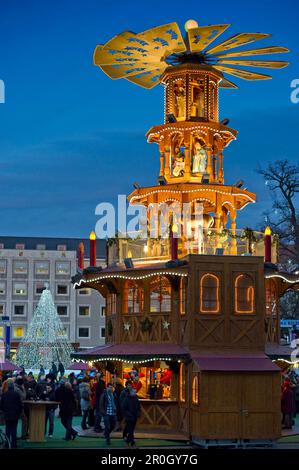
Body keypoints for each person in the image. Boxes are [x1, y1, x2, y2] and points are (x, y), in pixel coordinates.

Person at [0, 380, 23, 448]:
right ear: (13, 387)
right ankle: (14, 445)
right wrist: (19, 413)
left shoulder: (4, 394)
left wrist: (4, 411)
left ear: (8, 387)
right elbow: (20, 405)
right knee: (14, 430)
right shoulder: (16, 395)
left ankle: (7, 444)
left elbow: (1, 405)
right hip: (15, 415)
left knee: (7, 430)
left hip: (7, 414)